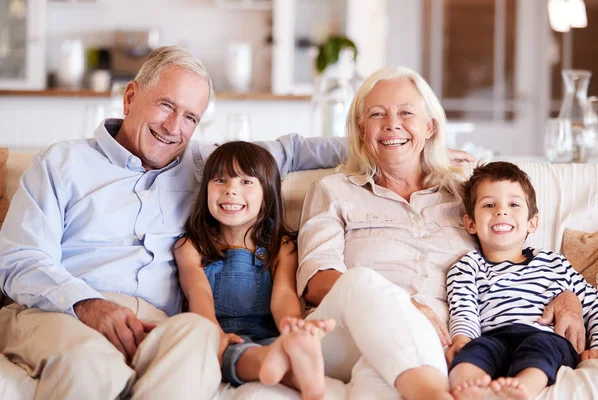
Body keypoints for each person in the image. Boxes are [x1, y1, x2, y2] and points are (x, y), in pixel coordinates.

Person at [0, 46, 348, 400]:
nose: (174, 128)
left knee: (201, 341)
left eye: (190, 118)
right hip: (63, 312)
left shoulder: (207, 165)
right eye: (166, 105)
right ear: (131, 97)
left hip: (158, 324)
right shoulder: (61, 163)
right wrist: (89, 305)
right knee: (90, 363)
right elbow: (20, 260)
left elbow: (291, 151)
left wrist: (383, 144)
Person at [296, 67, 587, 399]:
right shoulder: (333, 190)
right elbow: (318, 283)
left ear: (429, 126)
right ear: (362, 129)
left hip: (436, 347)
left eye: (406, 113)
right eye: (377, 114)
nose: (392, 123)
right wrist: (401, 305)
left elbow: (515, 256)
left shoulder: (466, 191)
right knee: (361, 280)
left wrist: (568, 295)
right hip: (344, 332)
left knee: (380, 380)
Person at [174, 141, 335, 400]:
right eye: (220, 180)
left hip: (270, 336)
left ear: (267, 193)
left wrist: (290, 327)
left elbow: (283, 296)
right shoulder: (192, 247)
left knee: (279, 348)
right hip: (218, 335)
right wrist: (216, 335)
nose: (230, 191)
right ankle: (280, 368)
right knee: (232, 356)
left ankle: (292, 358)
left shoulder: (282, 247)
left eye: (246, 182)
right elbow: (198, 294)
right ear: (206, 189)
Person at [445, 161, 598, 400]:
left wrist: (597, 346)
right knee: (474, 351)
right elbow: (463, 309)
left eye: (514, 204)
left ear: (532, 222)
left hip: (544, 336)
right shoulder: (468, 265)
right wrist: (462, 340)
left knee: (541, 347)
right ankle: (468, 387)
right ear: (470, 223)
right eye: (489, 204)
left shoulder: (554, 263)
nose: (501, 211)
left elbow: (592, 304)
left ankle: (523, 388)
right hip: (494, 336)